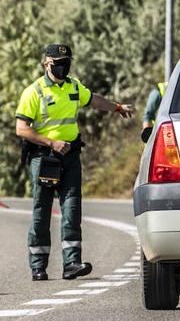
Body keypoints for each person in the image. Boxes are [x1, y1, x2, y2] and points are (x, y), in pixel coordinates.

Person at [15, 44, 134, 281]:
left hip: (69, 157)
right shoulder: (34, 92)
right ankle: (38, 266)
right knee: (42, 211)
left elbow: (93, 100)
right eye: (58, 62)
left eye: (66, 62)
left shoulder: (73, 86)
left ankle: (72, 263)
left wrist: (117, 107)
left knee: (72, 208)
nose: (63, 66)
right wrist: (51, 142)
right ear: (46, 64)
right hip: (44, 158)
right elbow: (21, 129)